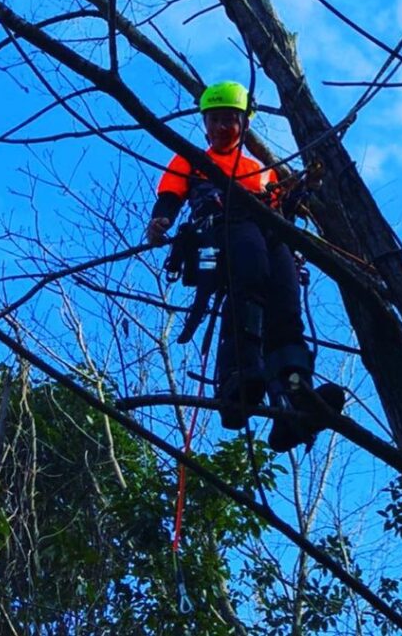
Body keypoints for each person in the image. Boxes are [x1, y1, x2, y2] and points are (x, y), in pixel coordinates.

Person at [147, 80, 343, 453]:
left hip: (269, 229)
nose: (222, 127)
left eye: (230, 120)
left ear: (244, 125)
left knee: (285, 302)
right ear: (204, 124)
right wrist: (161, 221)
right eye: (215, 120)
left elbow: (283, 209)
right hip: (225, 224)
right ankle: (238, 372)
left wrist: (305, 187)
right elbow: (170, 193)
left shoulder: (262, 171)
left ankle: (293, 394)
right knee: (250, 275)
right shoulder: (191, 158)